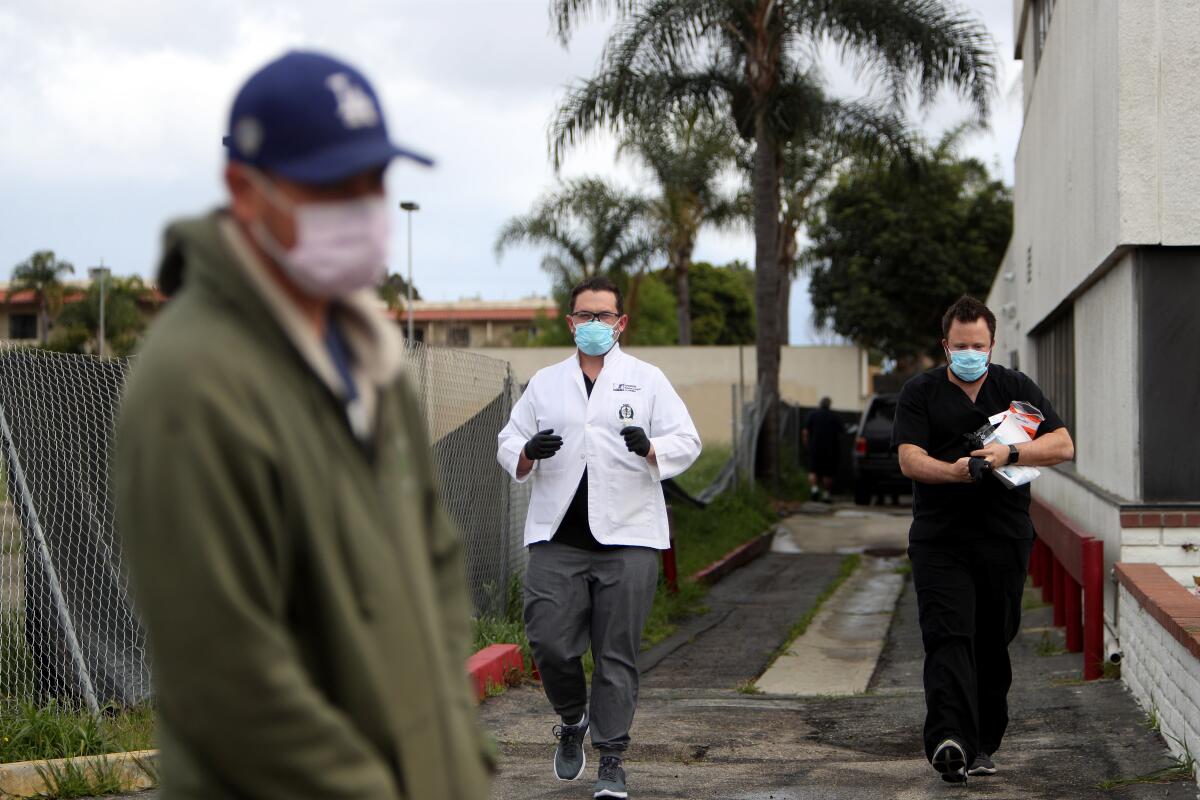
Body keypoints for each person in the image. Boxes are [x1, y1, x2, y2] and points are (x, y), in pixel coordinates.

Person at [115, 51, 491, 799]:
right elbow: (225, 678)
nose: (360, 207)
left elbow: (437, 564)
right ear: (242, 191)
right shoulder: (194, 382)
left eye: (373, 183)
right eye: (328, 186)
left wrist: (454, 749)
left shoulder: (369, 353)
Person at [496, 276, 701, 800]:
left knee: (616, 654)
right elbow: (509, 439)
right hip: (557, 537)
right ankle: (571, 718)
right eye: (584, 316)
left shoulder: (647, 379)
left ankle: (611, 759)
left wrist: (651, 448)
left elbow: (687, 439)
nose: (593, 325)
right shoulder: (545, 382)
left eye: (603, 316)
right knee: (548, 643)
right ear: (570, 322)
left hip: (628, 538)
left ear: (620, 322)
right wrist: (528, 450)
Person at [891, 295, 1074, 784]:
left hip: (1004, 537)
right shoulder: (920, 392)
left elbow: (1062, 444)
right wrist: (953, 472)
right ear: (944, 345)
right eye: (960, 345)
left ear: (993, 345)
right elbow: (909, 457)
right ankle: (949, 740)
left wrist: (1006, 453)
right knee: (949, 636)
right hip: (940, 539)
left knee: (993, 641)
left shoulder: (1016, 389)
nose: (969, 352)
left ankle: (984, 742)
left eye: (979, 345)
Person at [802, 396, 843, 503]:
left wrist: (807, 445)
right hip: (830, 449)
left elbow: (805, 432)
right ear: (829, 405)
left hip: (814, 447)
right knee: (828, 473)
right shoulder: (834, 416)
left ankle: (814, 490)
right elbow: (842, 431)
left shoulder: (812, 415)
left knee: (813, 470)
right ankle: (826, 495)